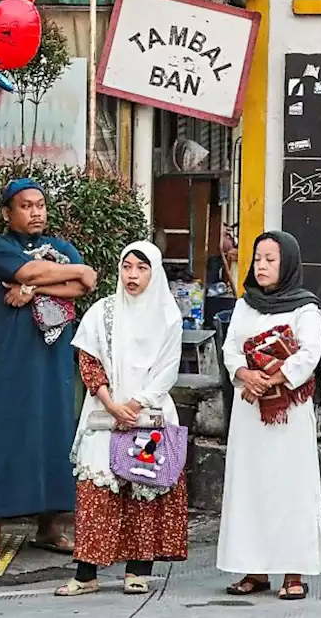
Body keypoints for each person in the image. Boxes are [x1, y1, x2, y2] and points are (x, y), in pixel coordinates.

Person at [0, 178, 96, 560]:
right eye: (26, 206)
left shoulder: (62, 247)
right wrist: (44, 277)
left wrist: (33, 289)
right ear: (8, 213)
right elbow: (33, 272)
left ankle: (50, 527)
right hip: (10, 358)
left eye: (40, 204)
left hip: (55, 358)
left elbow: (86, 283)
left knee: (55, 437)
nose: (36, 211)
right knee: (5, 435)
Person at [58, 241, 187, 596]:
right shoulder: (103, 312)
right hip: (103, 413)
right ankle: (86, 574)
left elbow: (166, 370)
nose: (132, 275)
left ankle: (137, 571)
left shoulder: (168, 317)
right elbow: (88, 360)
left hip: (150, 414)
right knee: (98, 489)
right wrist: (111, 403)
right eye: (127, 266)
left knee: (142, 485)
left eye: (141, 268)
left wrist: (136, 404)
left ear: (154, 272)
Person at [217, 231, 321, 601]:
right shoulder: (245, 305)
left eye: (270, 260)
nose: (261, 266)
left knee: (289, 488)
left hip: (289, 418)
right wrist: (245, 375)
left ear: (288, 264)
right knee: (250, 487)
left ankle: (293, 573)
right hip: (249, 415)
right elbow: (230, 348)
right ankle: (254, 570)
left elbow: (309, 355)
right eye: (257, 259)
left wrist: (270, 379)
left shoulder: (305, 308)